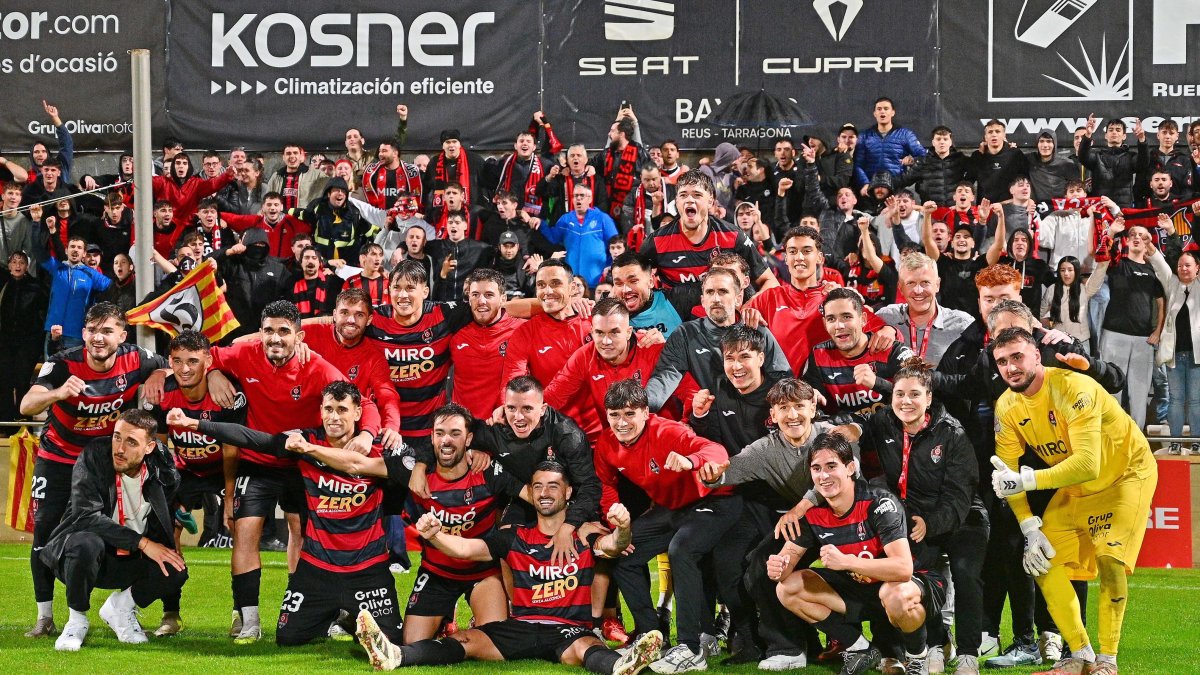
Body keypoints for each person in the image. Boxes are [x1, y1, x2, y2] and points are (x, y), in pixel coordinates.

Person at [355, 461, 665, 675]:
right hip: (521, 626)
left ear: (568, 492)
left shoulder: (584, 533)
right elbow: (467, 549)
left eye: (554, 486)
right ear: (531, 492)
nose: (545, 492)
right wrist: (436, 535)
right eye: (539, 486)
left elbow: (612, 546)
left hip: (567, 630)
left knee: (586, 647)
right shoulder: (513, 536)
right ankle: (395, 655)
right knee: (469, 639)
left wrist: (623, 528)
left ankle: (620, 666)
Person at [200, 300, 382, 643]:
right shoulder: (245, 354)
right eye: (268, 330)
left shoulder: (320, 369)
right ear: (261, 333)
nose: (275, 338)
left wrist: (367, 432)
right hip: (258, 460)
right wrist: (213, 373)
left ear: (299, 336)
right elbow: (207, 353)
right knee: (245, 532)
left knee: (306, 535)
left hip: (305, 462)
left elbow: (363, 401)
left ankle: (317, 612)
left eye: (284, 331)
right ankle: (248, 618)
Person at [175, 381, 405, 647]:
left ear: (357, 413)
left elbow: (381, 469)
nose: (334, 417)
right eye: (328, 409)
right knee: (288, 637)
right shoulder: (304, 439)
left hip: (368, 568)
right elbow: (253, 438)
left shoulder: (381, 447)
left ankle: (354, 615)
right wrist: (195, 424)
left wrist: (310, 450)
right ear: (320, 410)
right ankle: (340, 616)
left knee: (394, 640)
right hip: (318, 569)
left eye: (342, 410)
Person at [989, 327, 1158, 675]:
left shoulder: (1073, 387)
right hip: (1076, 487)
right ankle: (1081, 655)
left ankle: (1108, 660)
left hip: (1125, 474)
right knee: (1041, 561)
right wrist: (1028, 525)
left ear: (1037, 355)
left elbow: (1086, 463)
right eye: (1002, 362)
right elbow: (1006, 474)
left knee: (1110, 559)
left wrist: (1028, 479)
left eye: (1017, 357)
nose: (1011, 368)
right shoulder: (1006, 405)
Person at [19, 303, 169, 638]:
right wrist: (59, 393)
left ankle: (125, 607)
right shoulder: (62, 363)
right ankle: (45, 618)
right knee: (43, 530)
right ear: (83, 331)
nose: (97, 338)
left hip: (104, 464)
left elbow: (166, 364)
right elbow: (26, 404)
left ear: (122, 334)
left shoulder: (138, 358)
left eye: (106, 330)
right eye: (91, 330)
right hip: (58, 459)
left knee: (118, 531)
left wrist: (158, 375)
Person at [768, 432, 945, 675]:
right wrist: (778, 567)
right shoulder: (814, 513)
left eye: (831, 466)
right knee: (787, 587)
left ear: (850, 467)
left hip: (911, 584)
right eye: (816, 468)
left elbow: (903, 569)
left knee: (895, 594)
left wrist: (847, 562)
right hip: (862, 588)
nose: (824, 475)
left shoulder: (879, 503)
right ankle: (859, 647)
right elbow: (787, 562)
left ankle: (918, 657)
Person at [850, 358, 983, 674]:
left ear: (929, 399)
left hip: (962, 515)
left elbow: (960, 493)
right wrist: (848, 427)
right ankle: (936, 644)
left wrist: (932, 523)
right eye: (899, 394)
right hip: (915, 518)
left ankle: (968, 654)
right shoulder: (885, 423)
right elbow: (859, 422)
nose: (905, 401)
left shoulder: (952, 434)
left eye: (914, 395)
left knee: (965, 574)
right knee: (917, 575)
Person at [596, 379, 735, 673]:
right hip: (669, 509)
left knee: (681, 550)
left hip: (712, 502)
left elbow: (716, 451)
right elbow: (605, 484)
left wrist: (691, 460)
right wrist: (615, 518)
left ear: (646, 412)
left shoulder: (668, 431)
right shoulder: (607, 444)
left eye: (629, 414)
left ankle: (691, 648)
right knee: (623, 554)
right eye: (615, 415)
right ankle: (651, 636)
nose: (621, 423)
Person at [39, 410, 188, 652]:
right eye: (117, 437)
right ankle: (76, 621)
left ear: (149, 447)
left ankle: (121, 609)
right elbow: (86, 517)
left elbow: (164, 523)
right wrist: (143, 543)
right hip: (83, 559)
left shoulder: (163, 471)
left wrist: (172, 608)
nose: (119, 448)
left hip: (127, 561)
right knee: (86, 543)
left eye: (131, 442)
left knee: (175, 568)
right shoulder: (94, 455)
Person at [149, 330, 246, 635]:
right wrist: (168, 498)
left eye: (193, 360)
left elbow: (232, 450)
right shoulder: (162, 391)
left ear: (207, 360)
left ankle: (241, 614)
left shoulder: (227, 392)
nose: (185, 368)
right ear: (170, 362)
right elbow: (160, 450)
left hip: (224, 469)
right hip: (185, 470)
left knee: (241, 530)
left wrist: (230, 500)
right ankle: (171, 614)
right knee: (167, 534)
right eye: (177, 361)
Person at [745, 225, 895, 375]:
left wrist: (889, 330)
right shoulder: (767, 298)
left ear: (820, 258)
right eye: (792, 252)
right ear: (786, 258)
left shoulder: (835, 298)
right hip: (780, 393)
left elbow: (883, 330)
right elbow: (731, 326)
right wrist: (748, 316)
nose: (799, 257)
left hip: (826, 393)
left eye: (806, 251)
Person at [643, 266, 791, 412]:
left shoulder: (756, 329)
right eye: (709, 292)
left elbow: (783, 378)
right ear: (702, 300)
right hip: (709, 423)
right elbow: (664, 378)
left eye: (723, 292)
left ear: (738, 298)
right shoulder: (685, 334)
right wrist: (640, 406)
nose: (715, 299)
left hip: (757, 420)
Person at [543, 298, 667, 445]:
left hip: (660, 440)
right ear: (592, 332)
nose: (606, 341)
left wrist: (687, 422)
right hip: (615, 444)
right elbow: (553, 397)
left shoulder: (651, 346)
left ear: (628, 333)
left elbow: (687, 389)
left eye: (614, 333)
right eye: (600, 333)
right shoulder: (584, 356)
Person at [501, 260, 600, 438]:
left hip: (598, 432)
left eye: (555, 283)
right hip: (549, 433)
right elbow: (512, 382)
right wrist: (506, 409)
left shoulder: (596, 322)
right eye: (541, 285)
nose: (547, 291)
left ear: (572, 289)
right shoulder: (526, 332)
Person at [1085, 221, 1164, 429]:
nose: (1137, 237)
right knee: (1112, 387)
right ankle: (1111, 433)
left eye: (1142, 235)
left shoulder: (1153, 270)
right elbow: (1101, 252)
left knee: (1140, 392)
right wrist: (1111, 231)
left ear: (1148, 242)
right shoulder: (1117, 263)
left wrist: (1158, 330)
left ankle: (1137, 436)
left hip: (1143, 339)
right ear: (1127, 240)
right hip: (1114, 334)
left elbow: (1161, 301)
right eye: (1133, 234)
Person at [640, 171, 773, 289]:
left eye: (697, 195)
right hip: (676, 315)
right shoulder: (656, 241)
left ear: (710, 201)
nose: (689, 200)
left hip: (721, 315)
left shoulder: (732, 236)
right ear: (676, 201)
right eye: (683, 195)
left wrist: (749, 306)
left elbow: (770, 281)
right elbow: (635, 283)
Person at [449, 269, 526, 419]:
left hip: (504, 426)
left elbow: (551, 308)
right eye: (475, 295)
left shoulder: (522, 329)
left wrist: (571, 302)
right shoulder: (454, 332)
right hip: (464, 428)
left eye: (489, 295)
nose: (481, 301)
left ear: (503, 299)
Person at [875, 252, 975, 367]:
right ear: (900, 288)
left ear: (937, 285)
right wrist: (887, 327)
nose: (918, 290)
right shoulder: (886, 317)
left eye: (925, 282)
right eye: (911, 283)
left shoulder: (963, 324)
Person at [1149, 248, 1199, 454]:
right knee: (1176, 400)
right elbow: (1161, 267)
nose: (1183, 269)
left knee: (1196, 400)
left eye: (1188, 265)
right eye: (1180, 266)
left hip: (1198, 357)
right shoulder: (1172, 285)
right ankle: (1176, 441)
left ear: (1197, 268)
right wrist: (1150, 248)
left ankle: (1197, 441)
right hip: (1175, 356)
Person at [0, 251, 48, 424]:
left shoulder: (36, 286)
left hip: (27, 344)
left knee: (22, 381)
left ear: (27, 266)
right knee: (4, 382)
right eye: (14, 262)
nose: (18, 265)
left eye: (21, 262)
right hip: (5, 343)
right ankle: (6, 423)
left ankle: (23, 423)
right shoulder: (4, 284)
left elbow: (45, 312)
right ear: (9, 265)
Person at [544, 183, 619, 288]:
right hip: (572, 283)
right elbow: (553, 238)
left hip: (596, 283)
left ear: (590, 199)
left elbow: (617, 245)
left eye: (582, 196)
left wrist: (609, 267)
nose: (578, 199)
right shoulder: (565, 219)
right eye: (575, 196)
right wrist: (540, 224)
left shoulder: (602, 219)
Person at [291, 177, 377, 264]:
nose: (340, 193)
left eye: (343, 191)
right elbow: (302, 214)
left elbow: (372, 232)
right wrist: (282, 210)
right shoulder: (318, 207)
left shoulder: (354, 212)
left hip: (347, 266)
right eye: (336, 190)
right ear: (328, 194)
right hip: (322, 264)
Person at [853, 97, 927, 187]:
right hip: (872, 189)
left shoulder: (905, 134)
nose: (882, 112)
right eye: (879, 109)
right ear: (875, 113)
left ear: (893, 112)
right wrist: (865, 184)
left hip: (897, 187)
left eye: (886, 109)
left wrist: (913, 160)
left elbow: (923, 156)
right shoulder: (864, 136)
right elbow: (858, 165)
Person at [591, 112, 651, 222]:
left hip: (631, 209)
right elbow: (590, 165)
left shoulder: (640, 153)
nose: (609, 134)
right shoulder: (605, 154)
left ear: (621, 134)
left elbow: (652, 175)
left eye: (612, 131)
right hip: (608, 208)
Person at [152, 153, 237, 229]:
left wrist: (227, 175)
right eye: (177, 163)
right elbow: (143, 181)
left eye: (184, 163)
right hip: (164, 228)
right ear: (173, 167)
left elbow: (213, 184)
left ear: (189, 167)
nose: (181, 166)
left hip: (188, 229)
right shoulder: (161, 182)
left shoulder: (196, 183)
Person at [425, 212, 495, 303]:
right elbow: (416, 245)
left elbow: (502, 251)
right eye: (450, 222)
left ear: (465, 226)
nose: (453, 225)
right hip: (441, 301)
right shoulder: (436, 246)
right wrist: (401, 248)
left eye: (457, 222)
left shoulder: (479, 248)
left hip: (466, 303)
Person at [895, 126, 969, 207]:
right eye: (938, 139)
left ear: (950, 142)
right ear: (933, 142)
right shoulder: (923, 162)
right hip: (930, 213)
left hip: (954, 212)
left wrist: (981, 152)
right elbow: (902, 181)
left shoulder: (960, 160)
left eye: (945, 139)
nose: (942, 142)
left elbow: (977, 168)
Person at [1040, 257, 1099, 350]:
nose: (1066, 274)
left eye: (1070, 270)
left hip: (1081, 342)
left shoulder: (1084, 289)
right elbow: (1040, 314)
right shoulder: (1052, 289)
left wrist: (1104, 262)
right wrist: (1051, 321)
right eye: (1062, 270)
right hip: (1057, 341)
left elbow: (1098, 278)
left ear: (1076, 271)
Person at [1077, 116, 1136, 207]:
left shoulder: (1131, 156)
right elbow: (1082, 157)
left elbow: (1143, 163)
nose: (1114, 132)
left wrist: (1142, 141)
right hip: (1101, 207)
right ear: (1106, 135)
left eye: (1118, 130)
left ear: (1124, 136)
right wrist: (1088, 135)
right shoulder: (1097, 156)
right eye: (1111, 130)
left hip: (1123, 209)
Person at [425, 129, 487, 210]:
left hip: (471, 211)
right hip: (441, 211)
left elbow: (486, 185)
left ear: (459, 144)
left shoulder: (475, 160)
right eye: (447, 142)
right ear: (442, 146)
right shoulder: (434, 163)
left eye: (454, 141)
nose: (451, 145)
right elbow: (427, 187)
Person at [971, 120, 1029, 203]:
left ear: (1004, 135)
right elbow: (968, 183)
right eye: (990, 132)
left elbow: (1025, 182)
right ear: (985, 137)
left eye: (998, 131)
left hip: (1010, 208)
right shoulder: (977, 156)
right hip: (986, 209)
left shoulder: (1016, 154)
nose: (994, 134)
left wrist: (1028, 201)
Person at [364, 139, 424, 212]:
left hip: (405, 217)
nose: (380, 154)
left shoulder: (411, 172)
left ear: (395, 153)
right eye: (380, 151)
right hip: (380, 218)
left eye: (384, 151)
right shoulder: (372, 172)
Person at [264, 143, 328, 211]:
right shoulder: (276, 176)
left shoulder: (316, 174)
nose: (292, 156)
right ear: (283, 157)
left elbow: (331, 185)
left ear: (300, 156)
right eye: (288, 153)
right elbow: (267, 200)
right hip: (282, 219)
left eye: (295, 153)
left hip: (304, 219)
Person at [290, 247, 343, 318]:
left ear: (320, 263)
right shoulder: (292, 284)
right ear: (301, 263)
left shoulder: (333, 282)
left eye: (314, 258)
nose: (310, 261)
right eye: (306, 258)